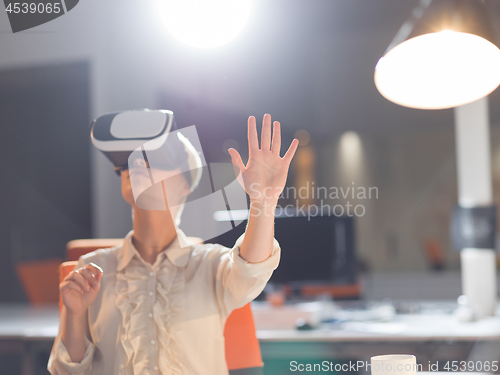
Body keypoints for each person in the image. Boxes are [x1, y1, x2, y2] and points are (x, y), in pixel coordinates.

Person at [47, 113, 298, 375]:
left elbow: (252, 269)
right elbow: (67, 372)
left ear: (185, 184)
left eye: (153, 159)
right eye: (128, 162)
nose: (137, 165)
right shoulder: (90, 270)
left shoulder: (210, 265)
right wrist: (75, 315)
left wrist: (263, 202)